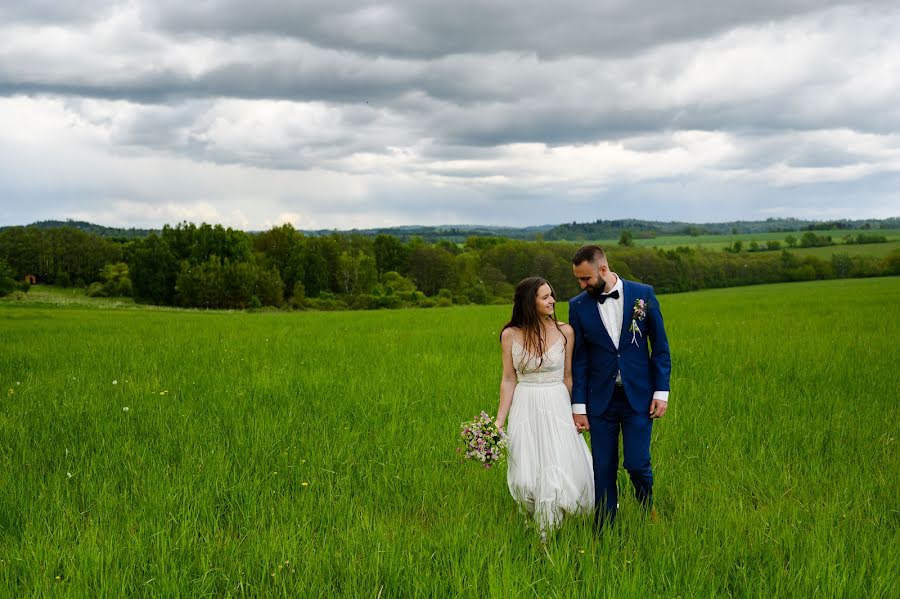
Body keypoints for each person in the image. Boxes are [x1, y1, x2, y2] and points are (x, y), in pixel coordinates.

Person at [568, 245, 671, 528]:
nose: (582, 284)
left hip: (638, 397)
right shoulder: (577, 306)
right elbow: (579, 361)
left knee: (637, 464)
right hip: (599, 401)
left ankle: (646, 505)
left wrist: (661, 393)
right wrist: (578, 407)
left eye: (585, 278)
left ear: (603, 269)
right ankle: (604, 529)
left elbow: (660, 348)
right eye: (578, 279)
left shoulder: (643, 294)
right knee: (603, 468)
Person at [496, 277, 594, 539]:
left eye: (552, 295)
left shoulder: (565, 332)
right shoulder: (510, 334)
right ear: (530, 302)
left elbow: (568, 376)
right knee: (524, 477)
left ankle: (547, 537)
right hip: (525, 406)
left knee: (556, 470)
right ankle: (534, 518)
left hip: (557, 404)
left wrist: (577, 411)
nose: (552, 300)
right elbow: (508, 379)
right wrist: (498, 422)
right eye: (544, 297)